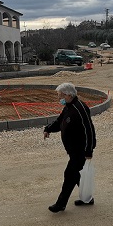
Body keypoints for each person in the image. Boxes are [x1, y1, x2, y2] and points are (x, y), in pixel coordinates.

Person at [43, 82, 96, 213]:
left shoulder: (80, 108)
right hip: (73, 150)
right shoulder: (69, 106)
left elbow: (89, 130)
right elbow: (60, 121)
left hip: (80, 150)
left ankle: (61, 204)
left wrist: (89, 150)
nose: (59, 98)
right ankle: (87, 198)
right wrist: (48, 129)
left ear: (67, 95)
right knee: (77, 175)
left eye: (60, 95)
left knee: (69, 175)